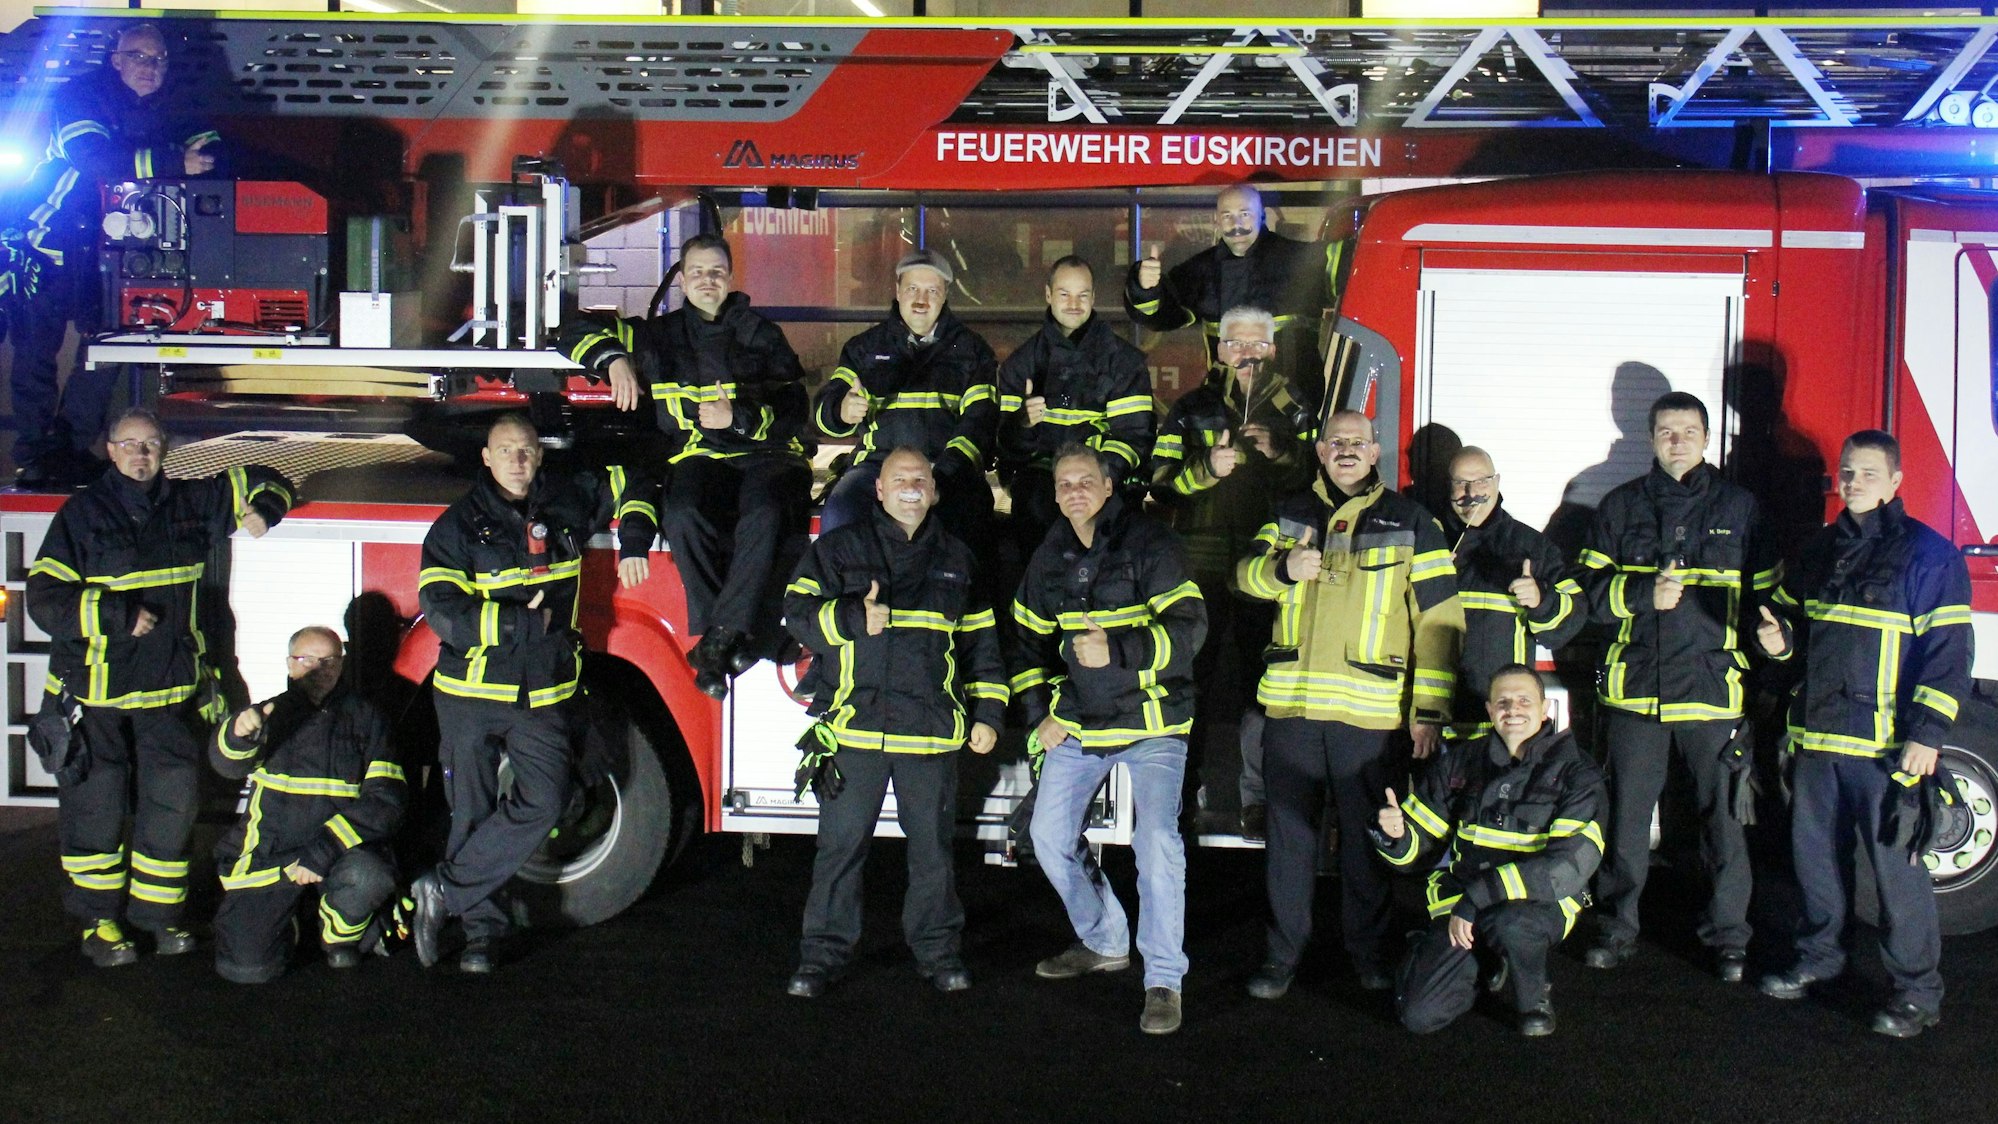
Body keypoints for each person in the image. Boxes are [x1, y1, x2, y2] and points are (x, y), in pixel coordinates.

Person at [26, 407, 292, 966]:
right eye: (129, 444)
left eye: (150, 444)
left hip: (170, 692)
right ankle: (100, 924)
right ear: (110, 449)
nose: (140, 455)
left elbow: (270, 477)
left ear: (165, 448)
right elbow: (46, 598)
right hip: (96, 694)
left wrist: (265, 510)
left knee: (172, 805)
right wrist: (117, 616)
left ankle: (159, 918)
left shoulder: (192, 502)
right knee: (94, 807)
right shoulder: (82, 514)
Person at [408, 414, 656, 973]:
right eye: (506, 451)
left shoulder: (568, 501)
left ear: (539, 456)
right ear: (487, 459)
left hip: (544, 693)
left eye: (527, 450)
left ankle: (444, 891)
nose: (519, 460)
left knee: (544, 801)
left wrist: (635, 539)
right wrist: (521, 626)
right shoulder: (455, 528)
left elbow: (633, 481)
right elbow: (442, 611)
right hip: (472, 693)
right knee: (471, 813)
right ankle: (480, 939)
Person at [1235, 409, 1464, 997]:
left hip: (1371, 719)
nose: (1345, 450)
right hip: (1291, 713)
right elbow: (1243, 578)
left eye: (1356, 442)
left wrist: (1430, 713)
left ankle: (1369, 955)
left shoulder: (1415, 521)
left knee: (1368, 846)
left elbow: (1439, 621)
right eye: (1335, 442)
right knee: (1288, 844)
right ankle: (1282, 957)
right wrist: (1282, 569)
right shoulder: (1288, 513)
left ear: (1375, 450)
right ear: (1318, 450)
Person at [1755, 430, 1970, 1038]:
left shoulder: (1930, 556)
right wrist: (1779, 642)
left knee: (1897, 875)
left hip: (1886, 750)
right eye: (1847, 473)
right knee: (1817, 865)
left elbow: (1948, 653)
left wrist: (1926, 736)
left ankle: (1916, 993)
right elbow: (1797, 635)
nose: (1854, 484)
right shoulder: (1818, 551)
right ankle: (1822, 960)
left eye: (1868, 474)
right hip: (1819, 741)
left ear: (1896, 481)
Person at [779, 447, 1006, 998]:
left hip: (929, 733)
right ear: (877, 491)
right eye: (899, 479)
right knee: (839, 850)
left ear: (934, 490)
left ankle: (938, 952)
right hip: (853, 730)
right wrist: (852, 617)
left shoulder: (958, 558)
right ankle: (821, 958)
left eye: (920, 479)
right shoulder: (838, 550)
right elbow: (796, 614)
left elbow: (983, 647)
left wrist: (989, 712)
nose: (911, 487)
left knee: (933, 853)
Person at [1576, 391, 1778, 983]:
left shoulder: (1741, 508)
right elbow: (1584, 596)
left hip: (1713, 692)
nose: (1677, 441)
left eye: (1688, 431)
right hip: (1636, 692)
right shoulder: (1618, 506)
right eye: (1667, 431)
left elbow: (1769, 598)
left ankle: (1729, 940)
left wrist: (1777, 642)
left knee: (1724, 824)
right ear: (1651, 437)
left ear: (1706, 438)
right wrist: (1643, 596)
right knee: (1627, 821)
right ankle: (1616, 928)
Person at [562, 233, 811, 700]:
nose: (707, 280)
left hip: (765, 456)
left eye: (716, 271)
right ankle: (738, 635)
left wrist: (736, 418)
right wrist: (613, 359)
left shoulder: (760, 333)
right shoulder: (657, 335)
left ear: (731, 277)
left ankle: (715, 643)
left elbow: (795, 410)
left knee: (763, 514)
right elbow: (569, 332)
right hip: (698, 456)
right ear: (681, 278)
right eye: (696, 271)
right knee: (682, 514)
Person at [1014, 444, 1206, 1035]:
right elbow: (1026, 642)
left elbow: (1190, 628)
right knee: (1046, 835)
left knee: (1156, 842)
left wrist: (1118, 652)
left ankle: (1164, 980)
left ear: (1107, 485)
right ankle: (1105, 940)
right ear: (1055, 494)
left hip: (1154, 723)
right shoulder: (1050, 555)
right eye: (1064, 483)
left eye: (1085, 481)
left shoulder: (1150, 542)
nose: (1074, 491)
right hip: (1082, 722)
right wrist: (1040, 713)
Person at [2, 23, 219, 486]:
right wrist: (173, 160)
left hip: (108, 249)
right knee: (38, 351)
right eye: (138, 56)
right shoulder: (80, 97)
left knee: (108, 346)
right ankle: (35, 454)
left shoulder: (167, 103)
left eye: (158, 59)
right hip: (49, 239)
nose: (149, 67)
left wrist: (211, 154)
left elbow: (209, 141)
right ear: (115, 60)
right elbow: (94, 160)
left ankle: (69, 448)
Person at [1151, 305, 1320, 839]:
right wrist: (1207, 470)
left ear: (1271, 349)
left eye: (1256, 344)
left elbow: (1322, 478)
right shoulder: (1191, 406)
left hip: (1265, 566)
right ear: (1219, 349)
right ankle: (1179, 797)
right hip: (1198, 565)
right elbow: (1159, 480)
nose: (1246, 354)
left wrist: (1282, 453)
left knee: (1260, 687)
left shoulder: (1295, 408)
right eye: (1236, 344)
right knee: (1188, 681)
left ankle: (1257, 801)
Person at [1376, 665, 1606, 1036]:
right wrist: (1398, 837)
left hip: (1536, 904)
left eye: (1523, 701)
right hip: (1461, 905)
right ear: (1488, 711)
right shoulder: (1461, 761)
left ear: (1545, 708)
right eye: (1502, 702)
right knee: (1418, 1015)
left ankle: (1533, 998)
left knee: (1511, 925)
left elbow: (1563, 870)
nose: (1512, 709)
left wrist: (1477, 898)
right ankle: (1485, 963)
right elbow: (1419, 849)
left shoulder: (1578, 773)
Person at [209, 627, 405, 984]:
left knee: (370, 876)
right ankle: (290, 921)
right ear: (290, 664)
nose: (319, 668)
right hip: (272, 855)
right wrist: (237, 733)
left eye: (329, 660)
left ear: (341, 664)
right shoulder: (268, 716)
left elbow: (385, 800)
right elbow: (225, 764)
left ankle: (336, 934)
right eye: (307, 659)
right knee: (247, 968)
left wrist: (326, 847)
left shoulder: (367, 719)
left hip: (337, 853)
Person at [812, 248, 998, 543]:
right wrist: (841, 411)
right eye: (912, 288)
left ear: (945, 295)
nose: (921, 300)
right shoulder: (864, 348)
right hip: (876, 466)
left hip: (946, 467)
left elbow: (980, 424)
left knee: (970, 523)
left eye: (931, 291)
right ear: (897, 291)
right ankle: (847, 590)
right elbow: (823, 417)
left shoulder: (973, 352)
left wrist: (945, 474)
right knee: (840, 515)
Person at [994, 255, 1154, 554]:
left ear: (1093, 297)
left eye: (1083, 295)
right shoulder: (1020, 365)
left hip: (1107, 482)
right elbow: (1007, 450)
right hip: (1041, 489)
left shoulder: (1123, 362)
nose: (1074, 304)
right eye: (1064, 294)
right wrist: (1022, 424)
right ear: (1048, 295)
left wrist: (1097, 481)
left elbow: (1133, 438)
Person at [1123, 183, 1336, 392]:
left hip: (1297, 406)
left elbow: (1355, 270)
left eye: (1245, 214)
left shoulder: (1301, 260)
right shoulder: (1201, 270)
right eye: (1227, 216)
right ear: (1217, 220)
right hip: (1223, 406)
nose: (1236, 224)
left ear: (1262, 215)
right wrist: (1145, 288)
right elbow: (1161, 317)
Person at [1439, 447, 1586, 740]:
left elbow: (1572, 620)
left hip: (1504, 725)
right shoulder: (1430, 540)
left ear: (1497, 482)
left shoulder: (1531, 546)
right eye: (1460, 483)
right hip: (1436, 721)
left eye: (1481, 481)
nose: (1471, 492)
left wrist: (1542, 602)